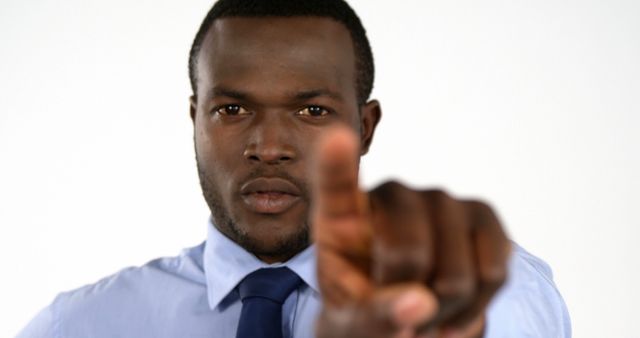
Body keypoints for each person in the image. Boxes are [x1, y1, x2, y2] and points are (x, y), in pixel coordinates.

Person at [17, 0, 571, 337]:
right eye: (232, 110)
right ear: (195, 118)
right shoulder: (84, 326)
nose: (269, 146)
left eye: (312, 111)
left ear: (365, 128)